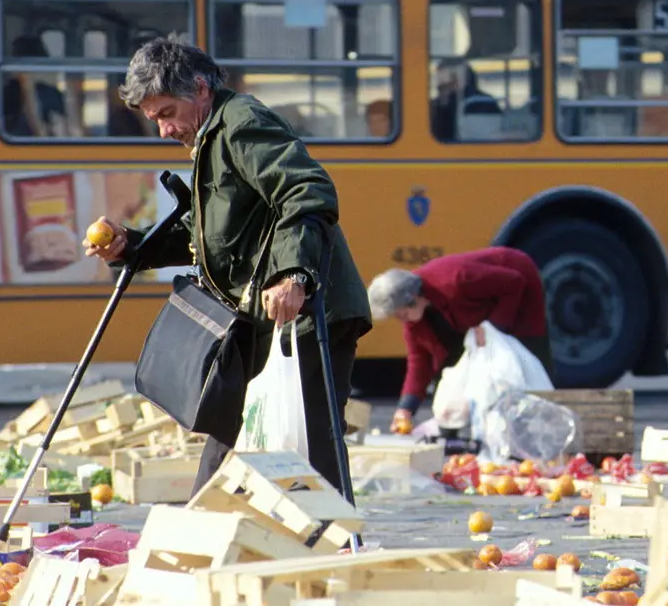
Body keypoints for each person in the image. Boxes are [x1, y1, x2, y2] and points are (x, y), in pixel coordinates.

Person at [82, 37, 373, 496]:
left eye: (166, 114)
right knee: (226, 438)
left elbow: (306, 191)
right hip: (255, 319)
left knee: (314, 448)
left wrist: (291, 274)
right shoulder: (208, 137)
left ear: (199, 88)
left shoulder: (240, 124)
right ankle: (206, 544)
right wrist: (130, 248)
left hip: (307, 314)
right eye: (154, 119)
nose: (163, 130)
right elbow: (210, 238)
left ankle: (331, 553)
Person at [366, 246, 554, 434]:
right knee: (458, 366)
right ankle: (478, 431)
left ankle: (541, 427)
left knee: (525, 359)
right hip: (477, 310)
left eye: (401, 314)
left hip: (518, 283)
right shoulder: (414, 321)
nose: (401, 320)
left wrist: (493, 326)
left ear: (414, 298)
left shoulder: (455, 280)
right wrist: (406, 408)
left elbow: (514, 282)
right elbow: (419, 363)